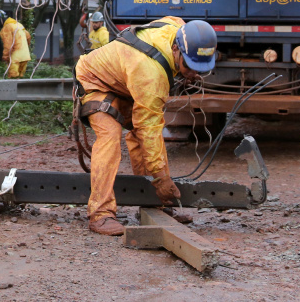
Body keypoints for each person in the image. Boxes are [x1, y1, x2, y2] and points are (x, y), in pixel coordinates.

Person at [74, 17, 217, 235]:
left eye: (200, 69)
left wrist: (185, 69)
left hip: (127, 81)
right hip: (96, 80)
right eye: (190, 66)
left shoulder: (178, 28)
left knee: (143, 135)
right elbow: (148, 129)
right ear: (176, 49)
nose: (194, 74)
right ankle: (100, 214)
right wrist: (161, 178)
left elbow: (173, 20)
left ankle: (154, 203)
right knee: (111, 135)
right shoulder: (151, 74)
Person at [0, 10, 31, 79]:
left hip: (15, 58)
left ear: (0, 19)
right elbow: (28, 37)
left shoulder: (6, 28)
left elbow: (8, 45)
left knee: (13, 78)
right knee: (21, 79)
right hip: (25, 56)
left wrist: (5, 56)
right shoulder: (18, 25)